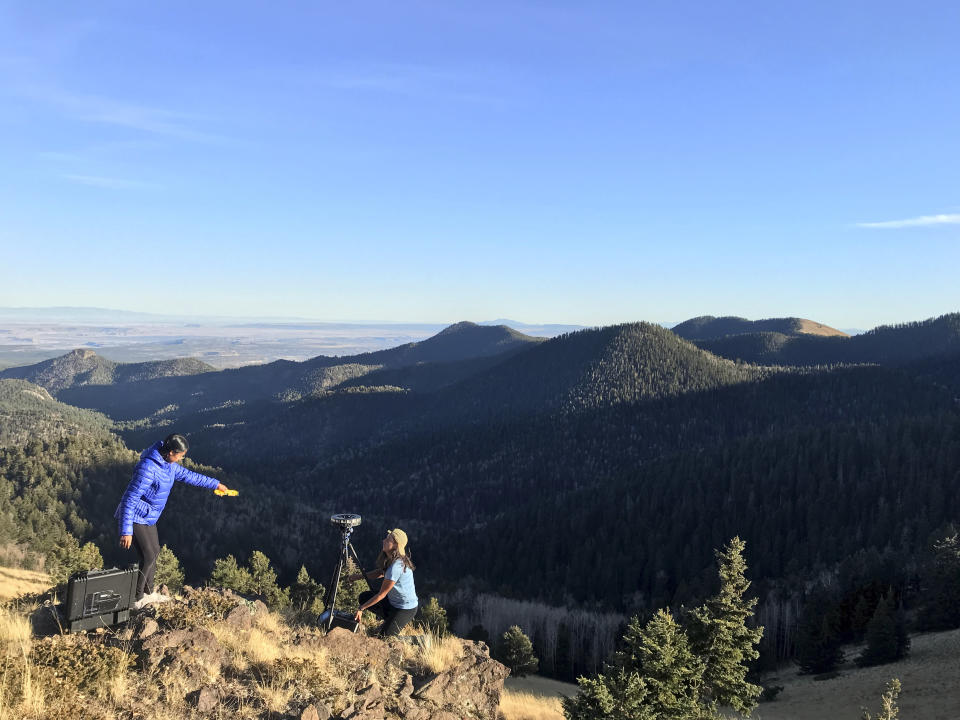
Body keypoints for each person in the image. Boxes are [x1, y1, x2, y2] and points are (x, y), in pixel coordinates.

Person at [115, 433, 231, 608]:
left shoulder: (169, 466)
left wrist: (215, 484)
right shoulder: (147, 468)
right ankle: (136, 599)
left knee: (154, 552)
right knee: (148, 555)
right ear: (170, 452)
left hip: (149, 516)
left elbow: (190, 476)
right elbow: (129, 499)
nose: (181, 458)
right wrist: (126, 530)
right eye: (180, 455)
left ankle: (148, 593)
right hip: (135, 516)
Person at [353, 528, 419, 637]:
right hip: (392, 602)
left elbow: (382, 594)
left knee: (383, 638)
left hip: (405, 609)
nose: (384, 541)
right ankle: (389, 620)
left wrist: (361, 609)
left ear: (396, 545)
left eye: (388, 540)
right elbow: (381, 573)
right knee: (364, 597)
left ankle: (408, 639)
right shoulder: (392, 558)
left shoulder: (396, 566)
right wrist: (359, 577)